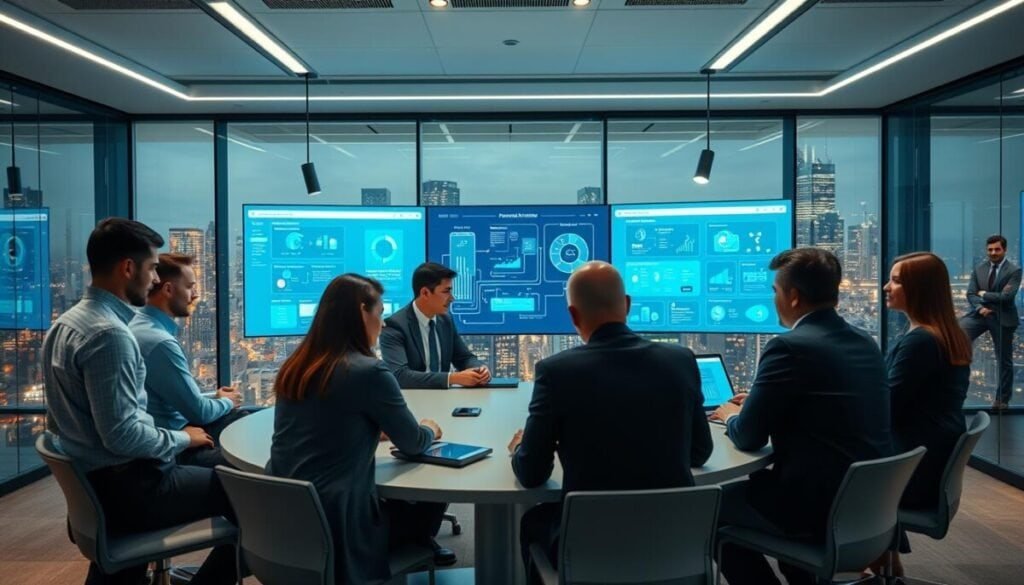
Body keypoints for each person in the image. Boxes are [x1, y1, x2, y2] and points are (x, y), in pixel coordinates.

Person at [43, 218, 236, 585]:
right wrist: (184, 438)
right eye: (149, 269)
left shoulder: (65, 324)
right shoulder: (109, 335)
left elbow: (61, 422)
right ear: (128, 268)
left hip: (95, 488)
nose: (152, 281)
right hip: (131, 489)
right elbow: (123, 437)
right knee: (251, 493)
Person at [508, 261, 713, 583]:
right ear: (628, 305)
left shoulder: (556, 371)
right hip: (672, 542)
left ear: (573, 315)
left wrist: (521, 446)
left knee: (532, 521)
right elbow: (699, 453)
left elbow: (533, 474)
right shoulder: (681, 360)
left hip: (588, 547)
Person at [710, 248, 891, 585]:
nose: (774, 298)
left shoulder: (790, 346)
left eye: (775, 291)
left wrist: (732, 414)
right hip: (865, 504)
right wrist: (761, 400)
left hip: (814, 506)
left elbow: (749, 436)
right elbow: (826, 403)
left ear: (793, 297)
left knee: (708, 512)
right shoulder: (864, 341)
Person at [266, 273, 455, 584]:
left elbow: (326, 421)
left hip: (285, 522)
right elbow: (412, 442)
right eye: (379, 314)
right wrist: (429, 429)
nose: (381, 325)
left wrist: (367, 430)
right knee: (432, 493)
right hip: (341, 529)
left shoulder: (298, 364)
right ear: (360, 314)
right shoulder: (370, 371)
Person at [872, 252, 971, 576]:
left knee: (828, 468)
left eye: (897, 280)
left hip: (911, 472)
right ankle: (882, 562)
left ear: (921, 289)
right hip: (929, 464)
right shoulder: (947, 334)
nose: (886, 287)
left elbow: (885, 409)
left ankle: (845, 559)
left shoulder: (920, 342)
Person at [130, 253, 247, 468]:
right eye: (190, 287)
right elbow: (199, 412)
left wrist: (216, 397)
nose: (195, 295)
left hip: (175, 429)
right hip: (173, 448)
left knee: (240, 420)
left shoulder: (140, 325)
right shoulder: (160, 343)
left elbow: (178, 396)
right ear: (167, 290)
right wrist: (228, 401)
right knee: (245, 453)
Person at [381, 262, 490, 388]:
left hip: (444, 399)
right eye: (446, 291)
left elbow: (464, 358)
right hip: (411, 401)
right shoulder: (394, 325)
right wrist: (452, 378)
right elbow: (400, 376)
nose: (452, 298)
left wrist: (479, 369)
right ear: (425, 293)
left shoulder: (445, 320)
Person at [960, 234, 1021, 409]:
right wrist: (981, 307)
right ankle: (957, 391)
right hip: (981, 314)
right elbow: (971, 293)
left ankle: (1002, 400)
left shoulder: (1014, 271)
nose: (993, 253)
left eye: (997, 249)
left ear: (1005, 250)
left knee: (1004, 360)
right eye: (990, 250)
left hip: (1002, 317)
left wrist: (984, 294)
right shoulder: (979, 269)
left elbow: (1007, 297)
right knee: (956, 337)